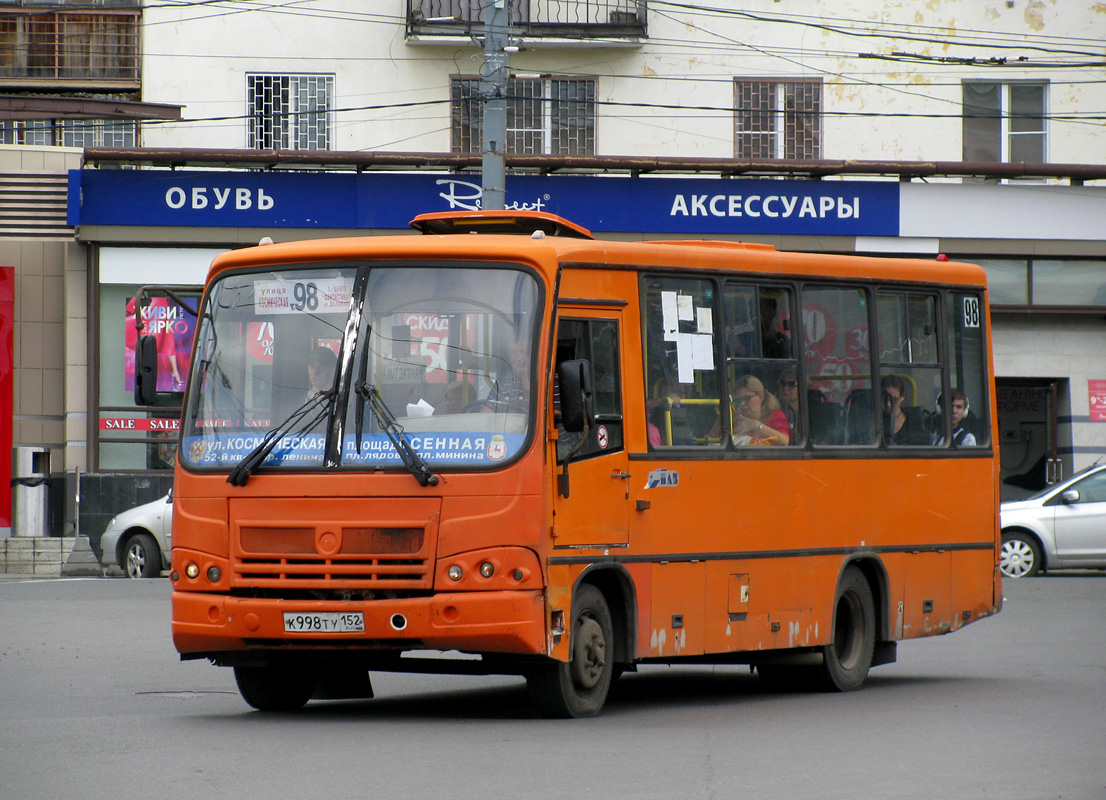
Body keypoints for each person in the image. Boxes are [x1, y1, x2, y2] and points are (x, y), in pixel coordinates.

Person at [729, 374, 790, 446]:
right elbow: (716, 442)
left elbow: (784, 441)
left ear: (760, 398)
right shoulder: (739, 421)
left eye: (747, 398)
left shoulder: (775, 415)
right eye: (739, 400)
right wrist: (720, 417)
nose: (742, 404)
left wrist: (756, 426)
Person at [881, 374, 929, 445]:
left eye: (893, 400)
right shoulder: (872, 420)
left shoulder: (914, 423)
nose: (888, 404)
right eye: (884, 399)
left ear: (903, 397)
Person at [484, 338, 530, 412]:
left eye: (523, 352)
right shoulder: (505, 381)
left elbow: (554, 416)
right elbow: (486, 413)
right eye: (513, 352)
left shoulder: (551, 382)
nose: (518, 358)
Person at [777, 367, 801, 440]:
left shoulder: (809, 413)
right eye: (782, 383)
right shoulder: (774, 411)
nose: (785, 388)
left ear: (803, 386)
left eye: (791, 384)